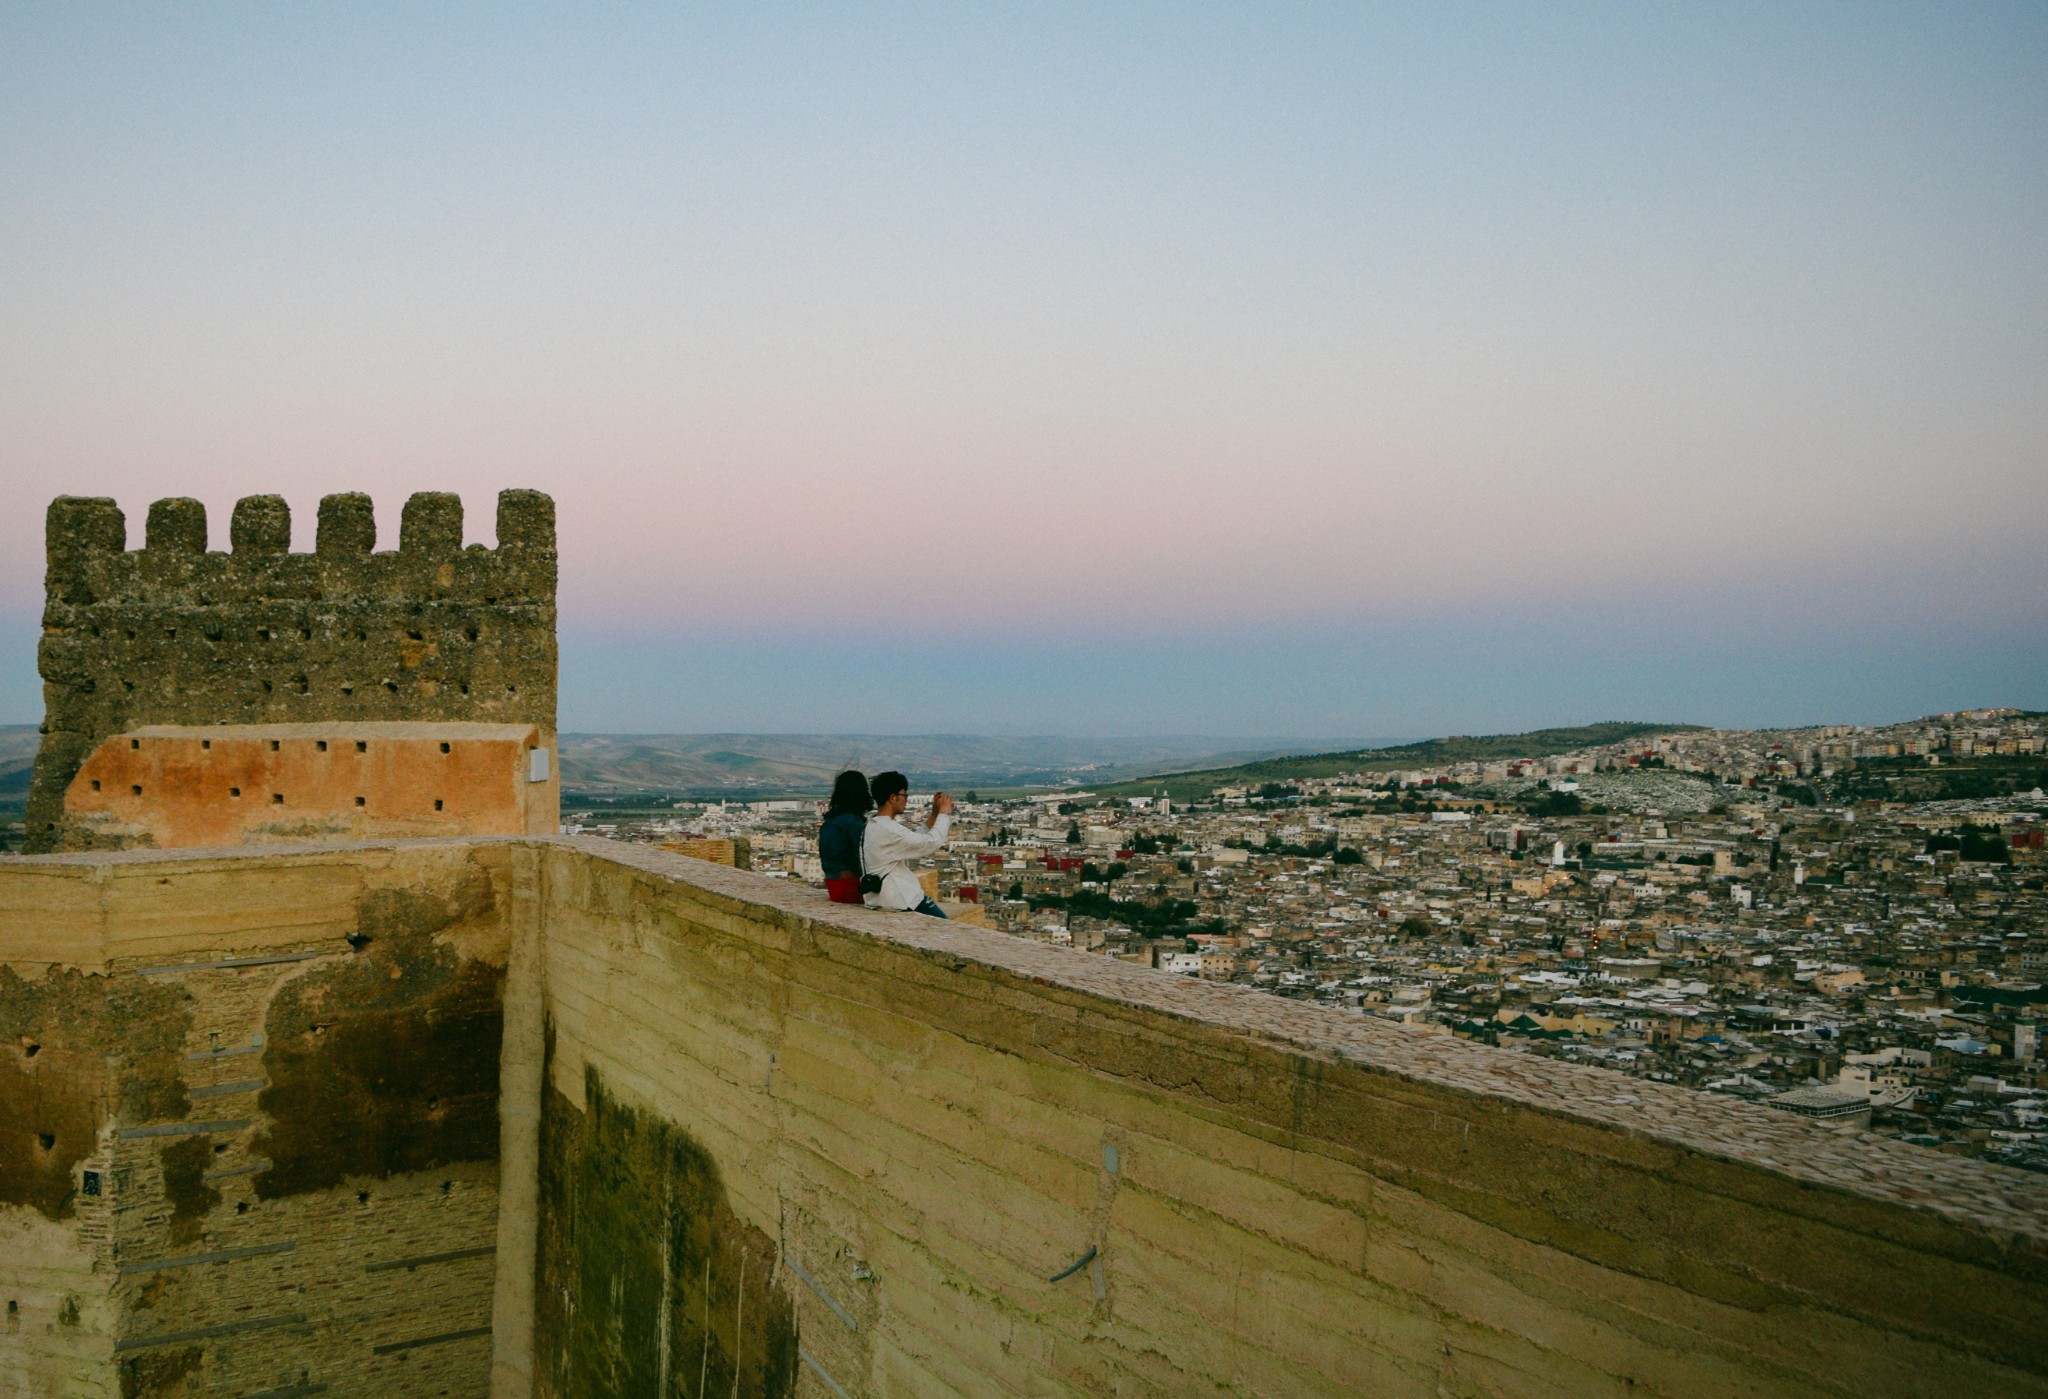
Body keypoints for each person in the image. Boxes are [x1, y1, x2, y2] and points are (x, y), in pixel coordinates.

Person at [861, 770, 954, 917]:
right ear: (893, 798)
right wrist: (944, 813)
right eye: (904, 795)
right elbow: (930, 843)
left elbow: (914, 839)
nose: (907, 800)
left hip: (881, 900)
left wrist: (934, 814)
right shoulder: (889, 829)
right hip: (903, 900)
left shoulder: (873, 825)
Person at [818, 770, 872, 904]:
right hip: (850, 887)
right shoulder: (853, 823)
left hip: (833, 887)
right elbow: (862, 859)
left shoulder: (829, 823)